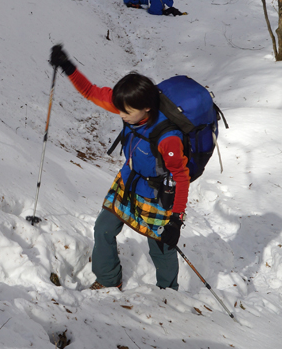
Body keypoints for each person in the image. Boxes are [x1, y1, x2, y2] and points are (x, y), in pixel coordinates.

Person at [49, 44, 190, 292]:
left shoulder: (168, 138)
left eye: (127, 112)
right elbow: (91, 91)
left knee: (161, 247)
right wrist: (68, 67)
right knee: (104, 227)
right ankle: (107, 279)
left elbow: (181, 177)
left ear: (147, 107)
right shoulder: (128, 105)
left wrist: (176, 220)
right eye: (120, 109)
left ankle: (168, 294)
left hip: (157, 195)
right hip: (128, 181)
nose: (121, 114)